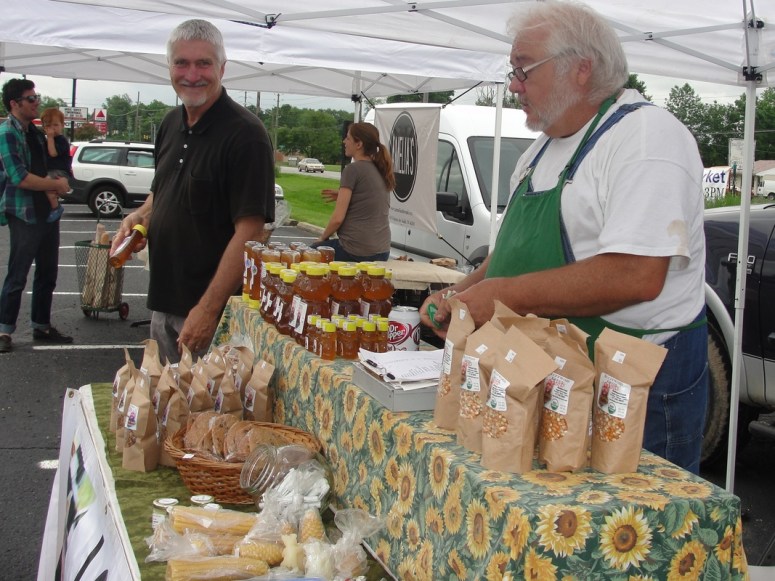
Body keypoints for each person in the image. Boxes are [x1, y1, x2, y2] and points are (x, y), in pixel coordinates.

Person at [420, 0, 708, 474]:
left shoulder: (645, 139)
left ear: (581, 69)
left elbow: (636, 275)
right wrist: (462, 292)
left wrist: (504, 295)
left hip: (633, 386)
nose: (513, 85)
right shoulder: (541, 149)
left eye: (523, 70)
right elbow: (508, 255)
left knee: (634, 534)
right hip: (554, 374)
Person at [111, 19, 275, 365]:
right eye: (181, 62)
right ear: (169, 66)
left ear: (222, 68)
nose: (192, 74)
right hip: (164, 300)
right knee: (169, 411)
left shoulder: (246, 134)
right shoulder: (170, 123)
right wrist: (139, 217)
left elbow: (250, 232)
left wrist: (207, 309)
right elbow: (162, 192)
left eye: (204, 63)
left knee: (208, 416)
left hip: (209, 313)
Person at [0, 79, 74, 354]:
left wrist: (58, 179)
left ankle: (41, 325)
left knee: (48, 272)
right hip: (24, 213)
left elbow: (48, 164)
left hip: (46, 212)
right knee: (17, 274)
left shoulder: (35, 131)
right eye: (31, 98)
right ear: (14, 104)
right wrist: (55, 185)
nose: (36, 102)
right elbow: (19, 177)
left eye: (36, 96)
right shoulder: (7, 132)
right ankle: (4, 330)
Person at [313, 122, 394, 262]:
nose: (344, 141)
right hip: (382, 251)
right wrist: (345, 197)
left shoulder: (352, 169)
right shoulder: (380, 169)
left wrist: (321, 238)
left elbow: (337, 218)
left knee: (305, 257)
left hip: (355, 251)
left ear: (359, 144)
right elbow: (371, 199)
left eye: (348, 138)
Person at [40, 107, 71, 223]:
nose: (52, 129)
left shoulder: (61, 140)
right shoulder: (46, 140)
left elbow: (53, 153)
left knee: (47, 183)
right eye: (48, 126)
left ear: (62, 125)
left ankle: (56, 207)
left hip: (60, 171)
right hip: (51, 170)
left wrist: (51, 138)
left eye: (56, 125)